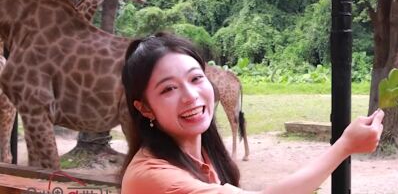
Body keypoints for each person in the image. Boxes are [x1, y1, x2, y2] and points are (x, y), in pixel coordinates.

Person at [120, 32, 384, 194]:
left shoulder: (202, 155)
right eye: (168, 89)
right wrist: (345, 145)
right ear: (144, 108)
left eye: (196, 78)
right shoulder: (152, 178)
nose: (190, 95)